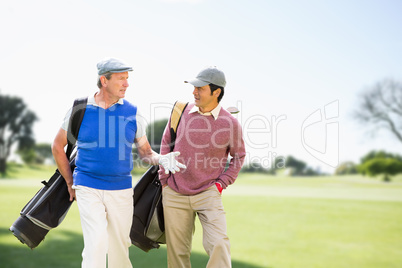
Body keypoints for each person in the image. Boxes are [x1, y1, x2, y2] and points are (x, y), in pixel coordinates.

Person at [51, 57, 186, 268]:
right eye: (121, 78)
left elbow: (145, 152)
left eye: (127, 78)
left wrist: (161, 158)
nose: (126, 83)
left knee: (120, 247)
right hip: (87, 185)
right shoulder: (80, 109)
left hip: (121, 190)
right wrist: (70, 182)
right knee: (96, 243)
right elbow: (58, 146)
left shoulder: (133, 113)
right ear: (104, 80)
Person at [159, 66, 246, 268]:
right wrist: (165, 180)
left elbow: (239, 156)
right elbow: (165, 144)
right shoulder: (181, 111)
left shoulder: (230, 123)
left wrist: (221, 184)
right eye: (194, 87)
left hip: (208, 192)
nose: (194, 92)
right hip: (174, 192)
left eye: (200, 88)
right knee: (177, 254)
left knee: (218, 245)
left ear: (216, 92)